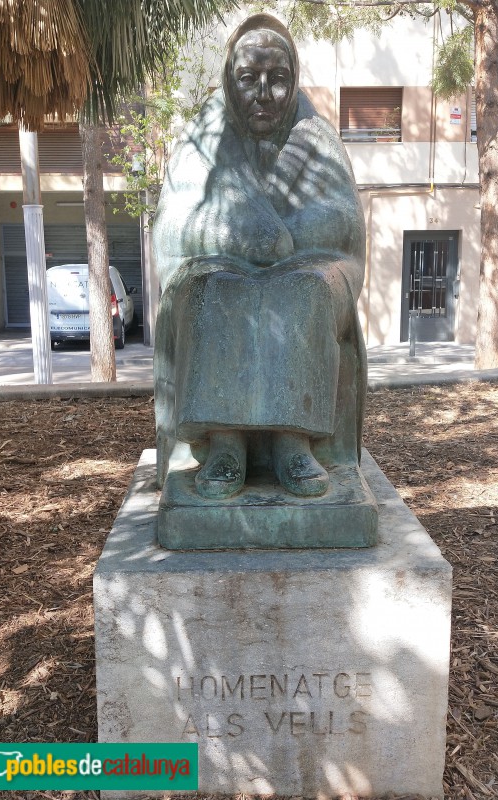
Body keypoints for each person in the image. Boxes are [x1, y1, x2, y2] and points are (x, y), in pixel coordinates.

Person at [153, 13, 367, 501]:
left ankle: (294, 443)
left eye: (278, 79)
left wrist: (283, 241)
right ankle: (226, 445)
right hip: (218, 269)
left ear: (294, 81)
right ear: (230, 81)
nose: (264, 92)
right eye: (249, 79)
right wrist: (240, 236)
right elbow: (173, 226)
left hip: (307, 268)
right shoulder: (200, 143)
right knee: (211, 291)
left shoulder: (317, 137)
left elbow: (346, 227)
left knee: (307, 289)